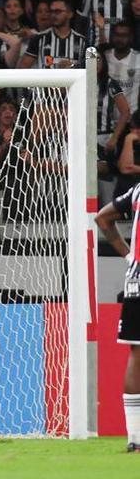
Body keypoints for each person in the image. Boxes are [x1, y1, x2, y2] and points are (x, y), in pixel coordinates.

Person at [94, 183, 140, 452]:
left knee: (137, 353)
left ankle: (135, 438)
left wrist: (130, 256)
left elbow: (102, 218)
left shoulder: (137, 191)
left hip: (137, 279)